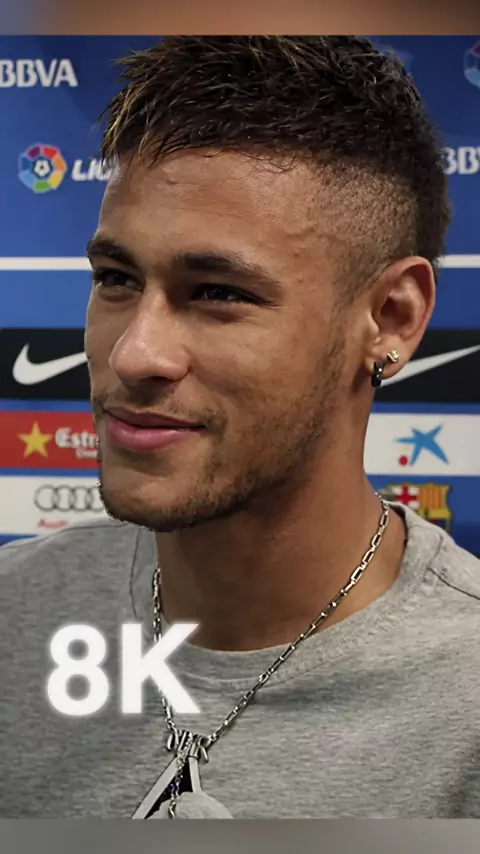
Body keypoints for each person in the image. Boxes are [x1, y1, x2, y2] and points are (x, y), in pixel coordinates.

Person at [1, 35, 479, 820]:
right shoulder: (12, 616)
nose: (134, 353)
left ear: (390, 319)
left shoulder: (465, 692)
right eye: (116, 278)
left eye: (219, 293)